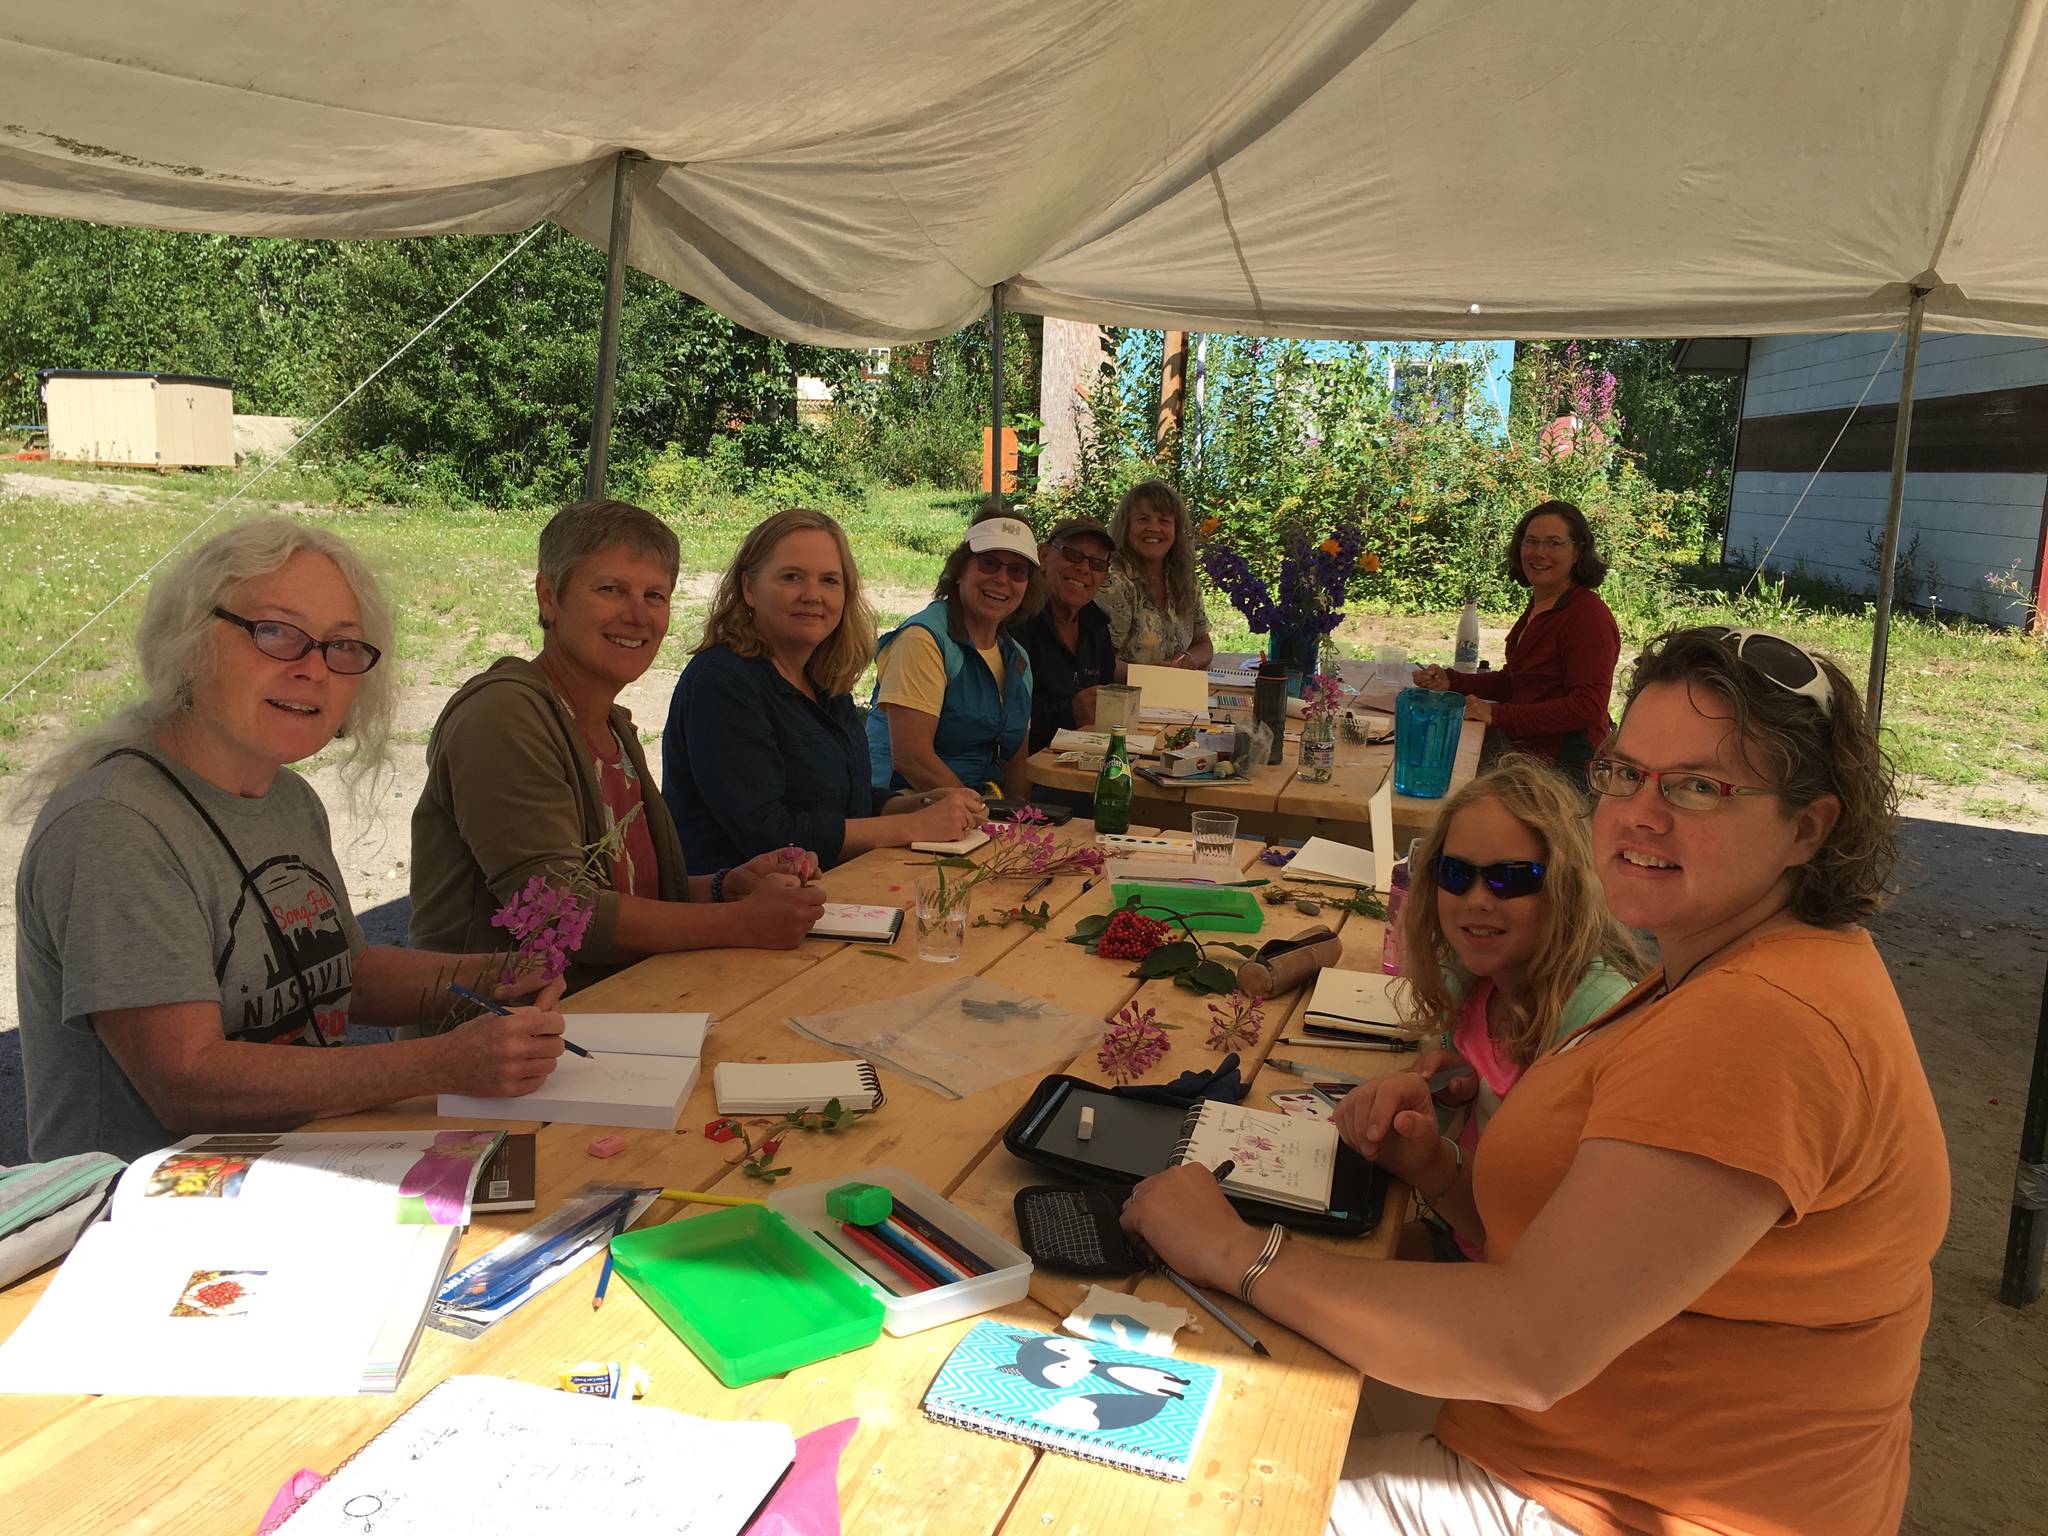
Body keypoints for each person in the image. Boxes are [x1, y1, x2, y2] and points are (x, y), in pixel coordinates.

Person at [1122, 624, 1948, 1536]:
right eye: (1626, 773)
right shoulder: (1728, 968)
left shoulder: (1761, 1019)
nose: (1642, 812)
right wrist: (1438, 1171)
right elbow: (1571, 1251)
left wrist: (1231, 1250)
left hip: (1607, 1500)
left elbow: (1528, 1346)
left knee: (1142, 1481)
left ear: (1809, 827)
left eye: (1700, 788)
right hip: (1559, 1447)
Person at [14, 520, 570, 1162]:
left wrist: (493, 976)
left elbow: (341, 973)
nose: (314, 670)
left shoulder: (287, 798)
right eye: (275, 633)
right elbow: (186, 1080)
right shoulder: (114, 826)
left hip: (298, 1169)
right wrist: (441, 1063)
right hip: (146, 1220)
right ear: (191, 640)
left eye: (342, 647)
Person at [411, 500, 824, 991]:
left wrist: (727, 887)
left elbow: (631, 896)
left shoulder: (612, 728)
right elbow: (557, 914)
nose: (637, 615)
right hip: (493, 1040)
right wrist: (741, 921)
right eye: (610, 589)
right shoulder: (502, 715)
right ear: (549, 597)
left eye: (655, 595)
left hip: (614, 1017)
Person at [1392, 756, 1645, 1259]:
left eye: (1512, 878)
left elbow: (1545, 1252)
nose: (1478, 899)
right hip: (1464, 1240)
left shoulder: (1598, 1022)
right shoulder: (1475, 981)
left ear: (1567, 888)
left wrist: (1432, 1166)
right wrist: (1460, 1090)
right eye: (1456, 873)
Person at [663, 508, 983, 871]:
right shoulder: (720, 682)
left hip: (831, 894)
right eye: (791, 577)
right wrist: (911, 826)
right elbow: (770, 834)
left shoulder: (823, 679)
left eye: (830, 581)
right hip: (739, 913)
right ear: (748, 589)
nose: (812, 595)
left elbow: (842, 804)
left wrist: (918, 804)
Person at [1411, 499, 1619, 777]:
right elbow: (1518, 682)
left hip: (1563, 770)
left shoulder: (1588, 616)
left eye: (1554, 543)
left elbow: (1588, 708)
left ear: (1578, 552)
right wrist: (1452, 681)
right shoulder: (1542, 605)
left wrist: (1497, 715)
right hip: (1527, 753)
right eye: (1531, 541)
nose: (1539, 552)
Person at [866, 509, 1043, 801]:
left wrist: (1019, 825)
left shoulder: (1017, 657)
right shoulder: (922, 640)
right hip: (906, 807)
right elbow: (913, 760)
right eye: (989, 564)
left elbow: (1016, 763)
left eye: (1017, 571)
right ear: (960, 569)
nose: (1002, 579)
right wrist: (982, 818)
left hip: (973, 815)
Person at [1009, 515, 1120, 752]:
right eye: (1073, 555)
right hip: (1029, 769)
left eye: (1097, 564)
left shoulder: (1097, 626)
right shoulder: (1016, 621)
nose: (1083, 568)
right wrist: (1069, 713)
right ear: (1045, 556)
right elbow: (1000, 720)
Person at [1095, 480, 1214, 670]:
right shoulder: (1112, 581)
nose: (1154, 528)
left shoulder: (1185, 578)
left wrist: (1189, 661)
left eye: (1164, 521)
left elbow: (1204, 644)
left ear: (1176, 530)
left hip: (1174, 691)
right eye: (1143, 519)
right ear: (1125, 527)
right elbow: (1100, 661)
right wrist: (1152, 677)